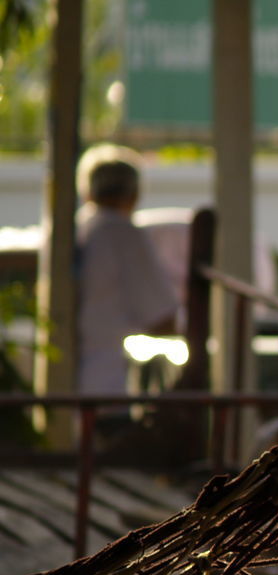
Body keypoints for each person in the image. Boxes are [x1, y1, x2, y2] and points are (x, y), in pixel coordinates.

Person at [75, 144, 179, 395]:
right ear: (134, 194)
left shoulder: (80, 228)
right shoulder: (123, 233)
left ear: (87, 191)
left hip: (74, 371)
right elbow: (164, 319)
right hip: (105, 378)